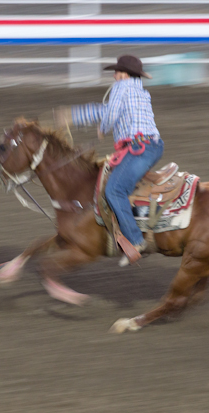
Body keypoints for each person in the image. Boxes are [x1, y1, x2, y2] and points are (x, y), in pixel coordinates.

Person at [55, 54, 164, 263]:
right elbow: (104, 110)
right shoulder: (140, 92)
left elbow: (110, 115)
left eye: (116, 71)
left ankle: (135, 240)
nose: (114, 76)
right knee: (119, 185)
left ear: (124, 74)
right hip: (151, 146)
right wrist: (72, 115)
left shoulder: (121, 87)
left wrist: (103, 129)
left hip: (139, 149)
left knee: (114, 189)